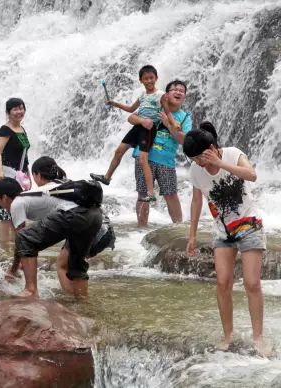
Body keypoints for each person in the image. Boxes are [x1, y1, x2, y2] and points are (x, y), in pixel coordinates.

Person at [183, 123, 270, 356]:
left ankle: (258, 337)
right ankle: (228, 335)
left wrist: (220, 163)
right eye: (193, 159)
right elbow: (196, 202)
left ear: (211, 148)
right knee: (223, 283)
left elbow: (252, 175)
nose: (198, 163)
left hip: (249, 224)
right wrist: (191, 235)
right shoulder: (195, 169)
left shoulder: (233, 154)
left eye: (200, 157)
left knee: (252, 283)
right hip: (223, 230)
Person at [0, 157, 104, 300]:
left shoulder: (18, 202)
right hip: (95, 215)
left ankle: (30, 290)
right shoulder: (60, 184)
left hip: (73, 215)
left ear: (4, 197)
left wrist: (13, 270)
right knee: (76, 262)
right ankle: (82, 302)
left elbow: (21, 243)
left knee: (24, 238)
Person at [91, 65, 172, 202]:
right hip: (138, 127)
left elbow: (168, 112)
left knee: (143, 159)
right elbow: (131, 109)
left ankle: (151, 193)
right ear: (141, 80)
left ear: (156, 78)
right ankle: (107, 177)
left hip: (148, 129)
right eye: (146, 78)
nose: (149, 81)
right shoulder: (142, 95)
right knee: (119, 151)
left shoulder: (161, 95)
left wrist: (173, 123)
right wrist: (114, 103)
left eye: (151, 78)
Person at [130, 79, 192, 226]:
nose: (178, 92)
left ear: (184, 96)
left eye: (181, 91)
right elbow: (132, 117)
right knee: (143, 194)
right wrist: (142, 121)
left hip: (166, 161)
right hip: (144, 157)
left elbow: (184, 140)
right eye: (174, 89)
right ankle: (141, 229)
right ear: (166, 94)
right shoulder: (153, 106)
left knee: (171, 195)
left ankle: (178, 228)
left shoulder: (184, 117)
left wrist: (168, 124)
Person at [0, 97, 31, 243]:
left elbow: (24, 155)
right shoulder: (5, 130)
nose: (19, 111)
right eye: (15, 109)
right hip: (8, 176)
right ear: (8, 112)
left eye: (21, 108)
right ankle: (4, 247)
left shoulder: (21, 129)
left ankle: (17, 245)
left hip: (19, 176)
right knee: (5, 213)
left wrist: (28, 175)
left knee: (17, 211)